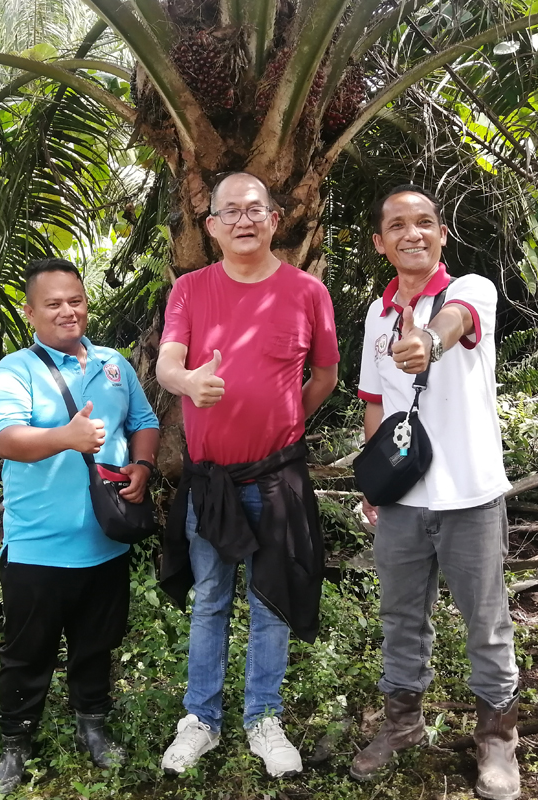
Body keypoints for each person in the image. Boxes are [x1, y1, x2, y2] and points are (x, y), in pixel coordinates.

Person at [155, 172, 340, 778]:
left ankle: (263, 716)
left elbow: (324, 377)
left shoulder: (308, 291)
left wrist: (284, 422)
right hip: (211, 481)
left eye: (253, 209)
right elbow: (167, 366)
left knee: (272, 601)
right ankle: (200, 720)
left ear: (274, 218)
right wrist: (190, 385)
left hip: (275, 479)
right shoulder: (189, 289)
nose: (243, 220)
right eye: (229, 211)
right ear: (210, 226)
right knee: (210, 597)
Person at [351, 185, 519, 799]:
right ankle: (403, 725)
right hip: (402, 501)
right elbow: (376, 403)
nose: (412, 233)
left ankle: (498, 738)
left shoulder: (471, 289)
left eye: (424, 223)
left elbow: (457, 325)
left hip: (470, 494)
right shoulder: (375, 317)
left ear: (442, 234)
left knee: (485, 620)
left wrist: (430, 342)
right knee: (400, 618)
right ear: (380, 242)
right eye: (397, 225)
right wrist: (375, 481)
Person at [0, 258, 160, 794]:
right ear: (31, 312)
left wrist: (143, 468)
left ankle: (92, 726)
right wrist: (68, 437)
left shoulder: (113, 364)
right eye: (54, 303)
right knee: (26, 651)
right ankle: (16, 742)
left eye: (76, 299)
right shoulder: (14, 371)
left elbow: (144, 422)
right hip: (38, 545)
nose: (68, 311)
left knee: (96, 643)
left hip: (105, 541)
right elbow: (6, 439)